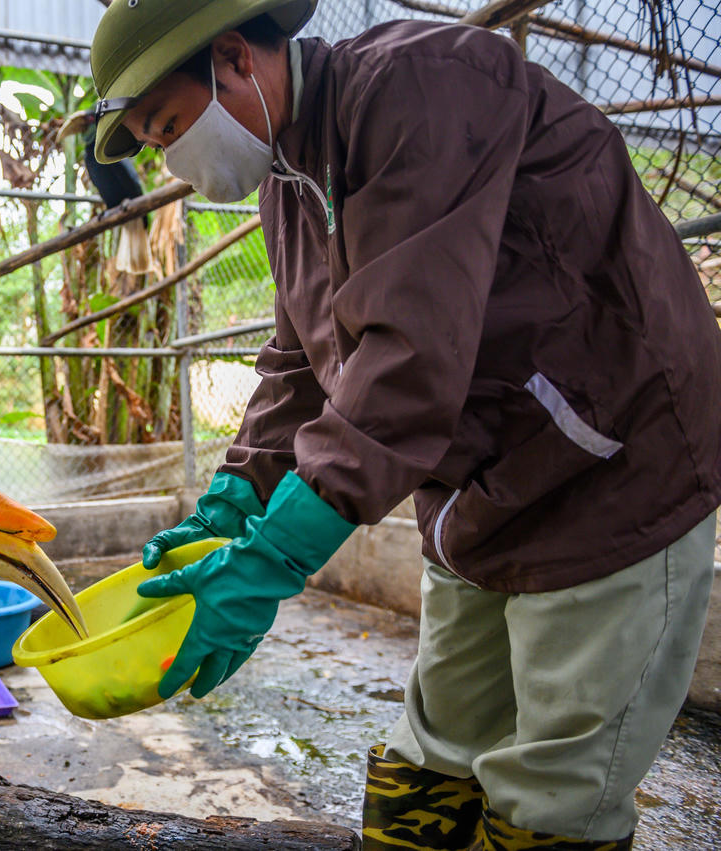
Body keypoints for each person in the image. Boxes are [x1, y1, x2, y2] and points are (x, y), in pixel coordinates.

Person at [86, 1, 721, 849]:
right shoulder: (290, 177)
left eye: (168, 126)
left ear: (235, 58)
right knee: (435, 754)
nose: (172, 160)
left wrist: (274, 557)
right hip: (481, 486)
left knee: (552, 788)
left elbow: (406, 357)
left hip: (613, 464)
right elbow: (302, 357)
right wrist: (234, 500)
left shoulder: (423, 84)